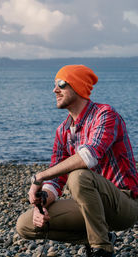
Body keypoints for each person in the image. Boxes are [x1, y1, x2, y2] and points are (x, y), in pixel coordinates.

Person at [16, 64, 138, 257]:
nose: (55, 90)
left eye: (61, 84)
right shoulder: (62, 131)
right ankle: (102, 237)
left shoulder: (105, 115)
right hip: (90, 206)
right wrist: (42, 203)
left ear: (79, 87)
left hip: (123, 203)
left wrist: (39, 176)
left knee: (79, 176)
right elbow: (55, 182)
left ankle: (101, 249)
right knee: (25, 225)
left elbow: (88, 156)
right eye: (54, 85)